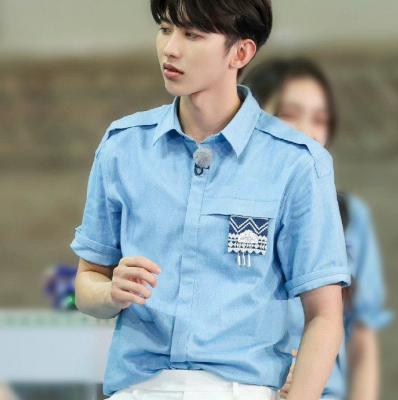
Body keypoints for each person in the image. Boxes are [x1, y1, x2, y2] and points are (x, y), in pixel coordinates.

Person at [70, 2, 351, 399]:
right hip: (137, 389)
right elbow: (87, 282)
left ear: (241, 52)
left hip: (242, 388)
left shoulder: (297, 163)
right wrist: (110, 293)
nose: (170, 48)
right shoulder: (123, 146)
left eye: (192, 35)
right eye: (165, 29)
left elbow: (324, 316)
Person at [242, 57, 393, 400]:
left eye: (320, 120)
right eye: (290, 115)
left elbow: (362, 338)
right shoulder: (226, 210)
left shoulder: (350, 217)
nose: (308, 132)